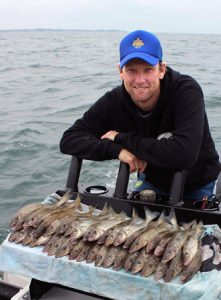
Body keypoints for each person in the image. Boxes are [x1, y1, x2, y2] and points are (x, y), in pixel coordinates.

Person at [60, 29, 221, 203]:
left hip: (196, 184)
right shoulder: (114, 100)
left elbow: (184, 154)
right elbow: (69, 139)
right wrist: (117, 150)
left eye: (147, 70)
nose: (140, 80)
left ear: (161, 69)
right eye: (131, 71)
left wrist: (121, 138)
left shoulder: (186, 91)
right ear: (121, 71)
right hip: (152, 182)